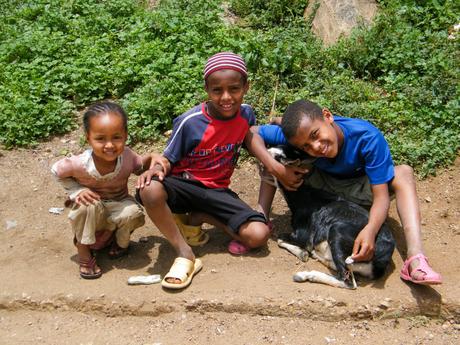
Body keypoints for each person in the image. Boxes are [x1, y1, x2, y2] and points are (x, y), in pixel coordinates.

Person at [247, 99, 442, 286]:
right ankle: (261, 217)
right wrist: (276, 168)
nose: (315, 146)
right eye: (306, 145)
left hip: (362, 189)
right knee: (270, 153)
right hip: (323, 185)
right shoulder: (300, 133)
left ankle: (415, 258)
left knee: (403, 173)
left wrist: (371, 230)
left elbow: (382, 198)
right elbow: (252, 133)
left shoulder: (366, 136)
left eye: (315, 135)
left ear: (328, 116)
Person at [136, 52, 270, 289]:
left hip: (217, 191)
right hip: (184, 187)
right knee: (150, 189)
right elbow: (168, 157)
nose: (226, 97)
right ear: (207, 89)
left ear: (246, 87)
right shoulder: (191, 121)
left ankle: (202, 216)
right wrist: (155, 168)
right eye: (217, 90)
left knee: (258, 235)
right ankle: (184, 252)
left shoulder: (247, 114)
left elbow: (255, 137)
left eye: (234, 89)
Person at [52, 101, 154, 279]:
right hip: (92, 208)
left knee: (133, 212)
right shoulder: (79, 163)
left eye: (116, 137)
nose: (109, 145)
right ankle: (83, 250)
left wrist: (153, 158)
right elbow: (56, 171)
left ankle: (119, 242)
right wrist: (76, 190)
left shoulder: (127, 156)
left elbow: (141, 166)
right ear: (88, 138)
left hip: (118, 204)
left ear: (125, 135)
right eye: (100, 139)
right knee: (86, 205)